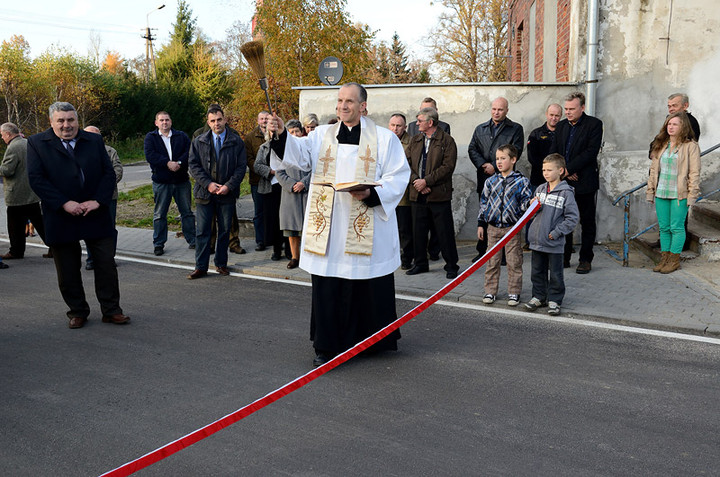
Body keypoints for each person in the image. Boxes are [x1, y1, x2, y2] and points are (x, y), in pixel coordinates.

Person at [266, 82, 410, 367]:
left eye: (350, 101)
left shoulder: (384, 139)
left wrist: (372, 193)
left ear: (363, 106)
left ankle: (372, 343)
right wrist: (281, 133)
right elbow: (298, 155)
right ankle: (328, 345)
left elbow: (399, 175)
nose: (343, 106)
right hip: (329, 228)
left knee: (367, 285)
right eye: (340, 101)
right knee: (329, 286)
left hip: (366, 220)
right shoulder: (321, 135)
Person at [27, 101, 129, 328]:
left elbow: (108, 173)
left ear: (77, 120)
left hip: (95, 213)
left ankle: (112, 310)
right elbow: (36, 179)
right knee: (67, 269)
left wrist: (98, 201)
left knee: (105, 264)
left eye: (70, 120)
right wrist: (64, 203)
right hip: (61, 215)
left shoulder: (93, 140)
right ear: (51, 122)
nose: (66, 125)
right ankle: (77, 311)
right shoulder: (36, 143)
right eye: (61, 121)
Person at [187, 104, 247, 279]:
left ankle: (221, 264)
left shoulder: (236, 141)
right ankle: (200, 267)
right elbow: (193, 165)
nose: (216, 123)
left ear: (225, 120)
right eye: (212, 121)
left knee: (224, 230)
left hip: (227, 193)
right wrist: (208, 184)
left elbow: (241, 167)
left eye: (219, 119)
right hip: (205, 193)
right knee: (203, 231)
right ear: (208, 122)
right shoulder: (199, 140)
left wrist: (229, 185)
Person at [548, 91, 603, 274]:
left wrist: (568, 169)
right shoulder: (562, 126)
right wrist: (563, 172)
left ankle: (585, 259)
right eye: (566, 109)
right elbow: (555, 152)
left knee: (586, 221)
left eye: (572, 109)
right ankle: (563, 257)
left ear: (582, 107)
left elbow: (590, 152)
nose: (568, 112)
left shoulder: (594, 124)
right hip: (564, 181)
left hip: (584, 181)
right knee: (563, 219)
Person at [405, 107, 459, 279]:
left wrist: (426, 182)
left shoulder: (447, 141)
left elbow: (447, 168)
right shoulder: (415, 140)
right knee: (418, 231)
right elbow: (405, 163)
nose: (417, 123)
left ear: (430, 122)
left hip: (438, 195)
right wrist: (417, 182)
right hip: (417, 193)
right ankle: (420, 263)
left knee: (444, 232)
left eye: (420, 120)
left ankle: (451, 265)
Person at [468, 97, 525, 261]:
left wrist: (495, 165)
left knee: (506, 215)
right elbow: (472, 149)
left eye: (500, 109)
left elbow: (516, 150)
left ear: (507, 110)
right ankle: (483, 251)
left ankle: (505, 254)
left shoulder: (515, 129)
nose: (496, 112)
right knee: (485, 213)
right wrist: (484, 165)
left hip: (507, 181)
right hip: (485, 177)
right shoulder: (481, 129)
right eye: (494, 109)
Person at [524, 153, 579, 316]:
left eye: (549, 170)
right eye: (543, 170)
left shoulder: (566, 193)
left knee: (555, 273)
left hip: (553, 242)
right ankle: (538, 296)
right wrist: (531, 205)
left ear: (561, 170)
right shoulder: (540, 189)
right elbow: (531, 212)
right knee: (537, 271)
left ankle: (555, 300)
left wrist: (556, 233)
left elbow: (572, 218)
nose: (545, 173)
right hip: (537, 241)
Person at [477, 144, 532, 306]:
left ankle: (514, 292)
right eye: (497, 159)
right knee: (491, 261)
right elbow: (484, 203)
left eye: (503, 158)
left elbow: (525, 205)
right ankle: (490, 291)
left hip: (512, 228)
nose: (499, 162)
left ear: (513, 160)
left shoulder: (522, 182)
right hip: (493, 227)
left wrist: (528, 205)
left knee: (514, 261)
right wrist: (481, 224)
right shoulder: (490, 181)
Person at [646, 112, 701, 274]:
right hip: (661, 191)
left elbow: (694, 173)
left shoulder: (691, 146)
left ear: (683, 126)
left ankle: (674, 260)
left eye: (675, 124)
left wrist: (692, 195)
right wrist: (650, 192)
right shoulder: (661, 144)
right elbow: (653, 170)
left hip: (680, 194)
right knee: (664, 228)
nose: (670, 127)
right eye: (669, 124)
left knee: (676, 227)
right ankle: (664, 258)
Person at [144, 111, 195, 256]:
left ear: (171, 122)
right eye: (161, 120)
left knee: (187, 213)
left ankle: (192, 240)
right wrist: (167, 163)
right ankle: (159, 243)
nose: (164, 122)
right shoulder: (151, 138)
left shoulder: (181, 136)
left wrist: (178, 163)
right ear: (156, 123)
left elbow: (189, 152)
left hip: (181, 181)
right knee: (160, 214)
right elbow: (150, 155)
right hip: (162, 182)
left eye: (167, 120)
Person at [0, 122, 50, 260]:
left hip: (17, 193)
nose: (2, 138)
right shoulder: (28, 143)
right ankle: (55, 247)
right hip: (31, 190)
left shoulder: (13, 147)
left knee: (15, 225)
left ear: (8, 134)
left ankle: (16, 251)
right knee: (40, 222)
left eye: (2, 135)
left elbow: (8, 170)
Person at [83, 126, 123, 270]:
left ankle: (108, 258)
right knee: (89, 228)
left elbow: (117, 170)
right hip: (87, 198)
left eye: (96, 135)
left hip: (108, 197)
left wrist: (104, 188)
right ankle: (91, 259)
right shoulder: (79, 152)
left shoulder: (110, 151)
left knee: (109, 228)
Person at [275, 121, 311, 269]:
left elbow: (315, 168)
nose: (295, 135)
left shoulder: (308, 147)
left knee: (309, 229)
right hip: (290, 195)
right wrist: (292, 184)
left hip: (307, 193)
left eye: (297, 131)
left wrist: (304, 183)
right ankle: (295, 257)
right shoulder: (281, 150)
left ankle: (309, 258)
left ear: (302, 132)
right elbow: (278, 171)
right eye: (291, 132)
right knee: (292, 229)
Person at [388, 113, 413, 269]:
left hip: (403, 193)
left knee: (405, 229)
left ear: (405, 127)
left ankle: (407, 258)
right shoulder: (383, 140)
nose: (395, 129)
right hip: (386, 193)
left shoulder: (411, 143)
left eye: (398, 126)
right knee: (389, 228)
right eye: (392, 125)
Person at [244, 111, 270, 251]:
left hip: (274, 180)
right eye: (262, 118)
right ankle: (260, 241)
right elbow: (248, 159)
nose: (264, 121)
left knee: (272, 211)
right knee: (259, 212)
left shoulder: (276, 134)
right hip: (258, 180)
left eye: (266, 118)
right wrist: (264, 171)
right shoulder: (249, 137)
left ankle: (271, 238)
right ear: (257, 120)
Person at [526, 104, 563, 189]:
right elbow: (532, 158)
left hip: (560, 180)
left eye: (557, 116)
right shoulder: (536, 134)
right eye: (551, 115)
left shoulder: (564, 134)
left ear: (561, 116)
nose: (554, 118)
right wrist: (548, 170)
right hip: (539, 181)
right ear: (546, 114)